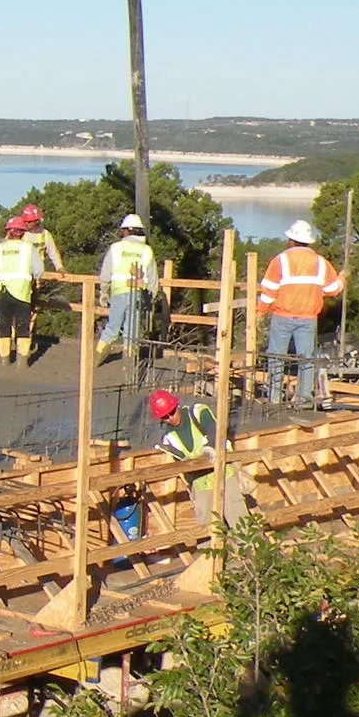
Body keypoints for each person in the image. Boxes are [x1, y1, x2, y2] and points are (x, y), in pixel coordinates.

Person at [257, 218, 344, 402]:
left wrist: (260, 311)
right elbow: (332, 289)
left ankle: (274, 398)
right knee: (306, 360)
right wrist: (342, 279)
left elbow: (269, 291)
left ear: (291, 240)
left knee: (276, 358)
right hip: (308, 318)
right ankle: (303, 398)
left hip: (282, 317)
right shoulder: (321, 263)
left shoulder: (280, 261)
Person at [150, 387, 220, 520]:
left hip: (224, 473)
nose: (171, 418)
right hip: (201, 484)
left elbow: (215, 430)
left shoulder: (197, 412)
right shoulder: (169, 438)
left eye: (172, 412)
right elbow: (182, 464)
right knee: (205, 528)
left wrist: (210, 447)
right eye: (165, 417)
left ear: (177, 405)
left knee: (239, 523)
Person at [97, 213, 158, 363]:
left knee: (112, 328)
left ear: (125, 231)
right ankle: (129, 362)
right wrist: (152, 298)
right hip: (138, 295)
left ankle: (97, 358)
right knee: (132, 331)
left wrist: (104, 292)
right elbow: (153, 279)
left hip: (118, 293)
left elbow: (105, 274)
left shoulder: (116, 248)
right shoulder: (146, 250)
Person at [0, 211, 44, 366]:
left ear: (8, 232)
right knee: (22, 327)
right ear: (22, 233)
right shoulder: (29, 248)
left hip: (3, 292)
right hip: (22, 293)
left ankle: (5, 361)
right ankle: (22, 361)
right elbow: (39, 270)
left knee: (4, 326)